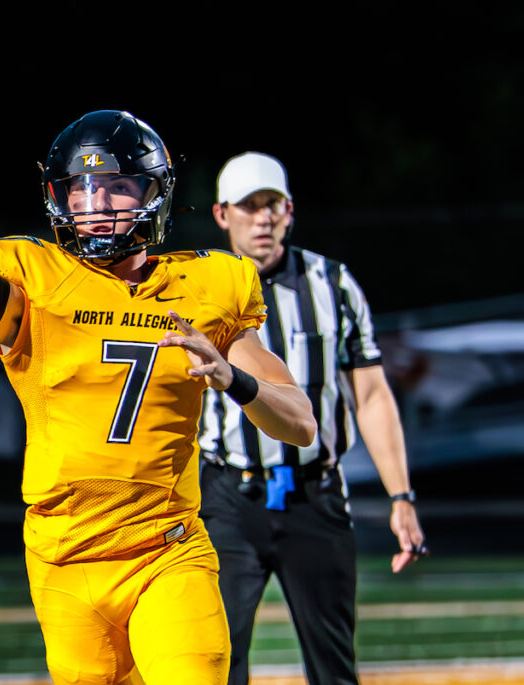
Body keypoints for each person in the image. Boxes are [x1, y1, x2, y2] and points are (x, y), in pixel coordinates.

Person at [0, 107, 317, 685]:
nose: (99, 203)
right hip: (66, 557)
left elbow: (300, 424)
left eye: (116, 186)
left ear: (153, 193)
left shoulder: (211, 284)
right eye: (82, 189)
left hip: (168, 548)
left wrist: (235, 379)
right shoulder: (32, 279)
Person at [197, 152, 428, 685]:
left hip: (314, 492)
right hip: (227, 497)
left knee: (334, 669)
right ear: (221, 214)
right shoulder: (200, 287)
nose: (262, 217)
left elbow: (371, 394)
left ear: (289, 210)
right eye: (248, 206)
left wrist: (401, 498)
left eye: (271, 204)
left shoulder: (333, 283)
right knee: (214, 665)